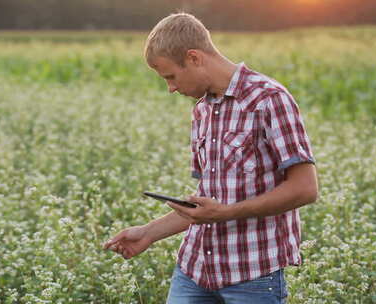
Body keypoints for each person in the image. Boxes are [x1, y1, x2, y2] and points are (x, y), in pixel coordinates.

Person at [103, 12, 318, 304]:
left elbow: (305, 188)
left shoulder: (269, 99)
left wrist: (226, 213)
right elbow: (205, 203)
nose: (171, 88)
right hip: (194, 270)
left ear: (193, 58)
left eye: (171, 76)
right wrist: (148, 233)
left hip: (252, 275)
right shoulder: (202, 110)